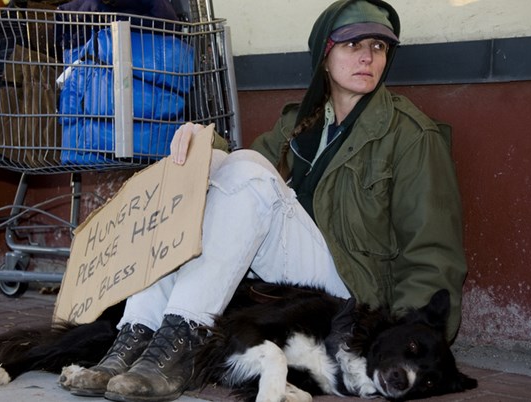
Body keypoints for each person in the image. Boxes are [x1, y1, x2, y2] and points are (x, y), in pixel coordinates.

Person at [61, 1, 468, 401]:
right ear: (324, 57)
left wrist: (410, 335)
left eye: (378, 47)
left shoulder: (412, 136)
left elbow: (432, 251)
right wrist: (202, 147)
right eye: (352, 45)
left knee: (248, 173)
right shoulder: (299, 121)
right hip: (298, 284)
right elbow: (239, 180)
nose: (367, 57)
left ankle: (183, 340)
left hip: (351, 299)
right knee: (220, 171)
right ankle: (135, 335)